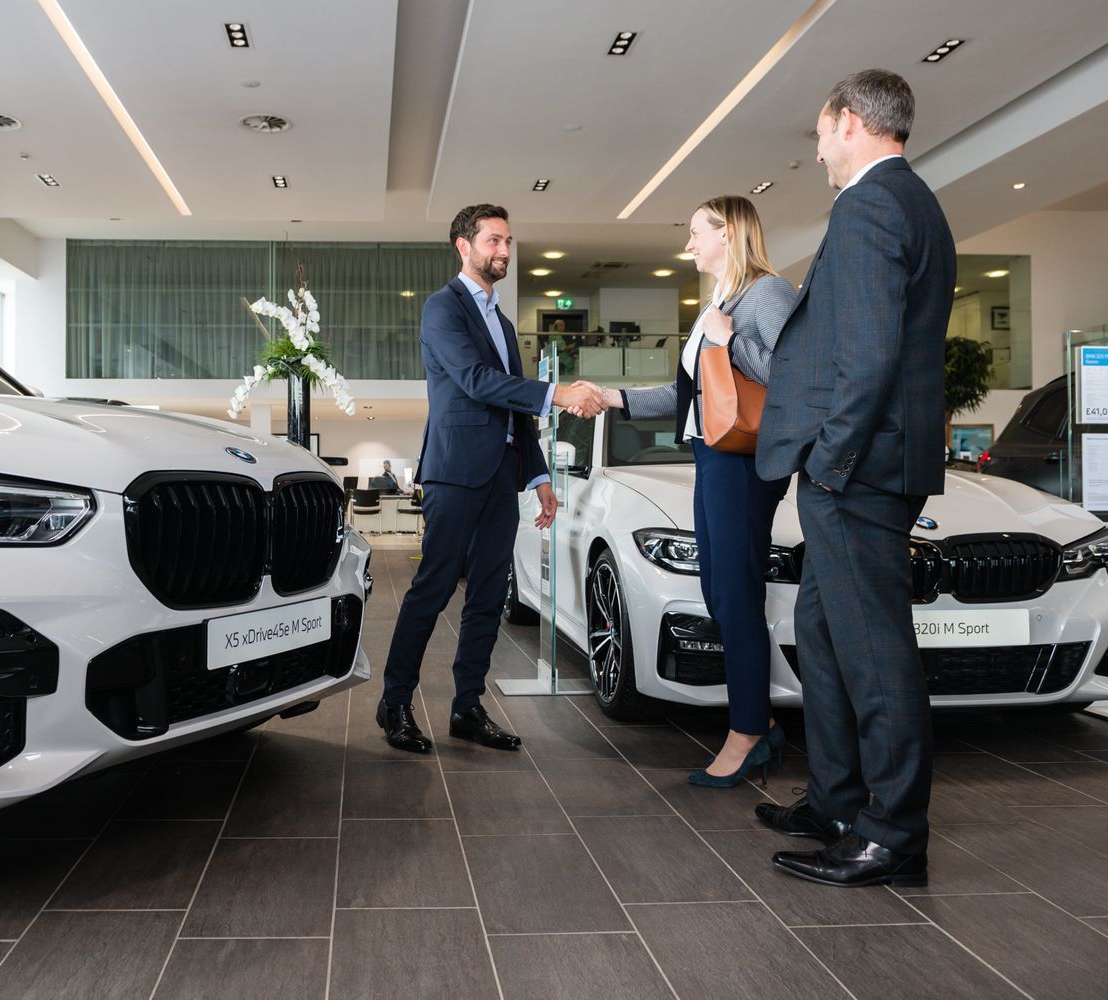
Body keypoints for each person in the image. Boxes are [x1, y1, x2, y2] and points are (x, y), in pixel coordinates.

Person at [753, 69, 955, 888]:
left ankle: (893, 832)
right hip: (867, 464)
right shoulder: (909, 201)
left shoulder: (872, 203)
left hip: (856, 470)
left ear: (847, 122)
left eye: (820, 130)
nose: (818, 147)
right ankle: (837, 802)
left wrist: (829, 467)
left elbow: (866, 358)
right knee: (828, 635)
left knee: (874, 652)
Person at [580, 195, 796, 787]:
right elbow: (692, 395)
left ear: (728, 233)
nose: (688, 244)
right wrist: (617, 399)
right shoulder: (719, 303)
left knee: (733, 593)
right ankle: (761, 724)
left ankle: (747, 732)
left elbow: (796, 376)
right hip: (712, 455)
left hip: (747, 462)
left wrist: (728, 342)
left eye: (696, 231)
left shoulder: (768, 294)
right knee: (720, 592)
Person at [377, 203, 606, 754]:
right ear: (465, 245)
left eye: (508, 242)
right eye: (494, 241)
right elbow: (478, 382)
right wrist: (559, 393)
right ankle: (395, 703)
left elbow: (513, 410)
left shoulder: (502, 323)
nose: (504, 251)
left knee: (486, 597)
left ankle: (467, 707)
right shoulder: (442, 308)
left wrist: (540, 477)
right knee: (431, 591)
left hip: (503, 475)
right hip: (455, 472)